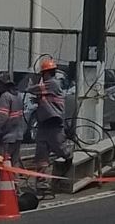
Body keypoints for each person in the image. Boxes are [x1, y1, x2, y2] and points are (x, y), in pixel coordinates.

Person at [26, 58, 73, 194]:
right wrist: (39, 100)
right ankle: (41, 183)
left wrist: (31, 83)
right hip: (44, 124)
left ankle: (69, 159)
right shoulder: (48, 87)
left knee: (59, 148)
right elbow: (45, 98)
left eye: (43, 73)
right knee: (41, 155)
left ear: (46, 73)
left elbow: (32, 89)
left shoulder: (53, 83)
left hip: (54, 123)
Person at [0, 73, 25, 197]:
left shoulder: (5, 97)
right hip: (17, 136)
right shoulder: (17, 96)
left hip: (5, 138)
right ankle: (15, 191)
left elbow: (1, 118)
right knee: (14, 164)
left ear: (2, 84)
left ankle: (1, 193)